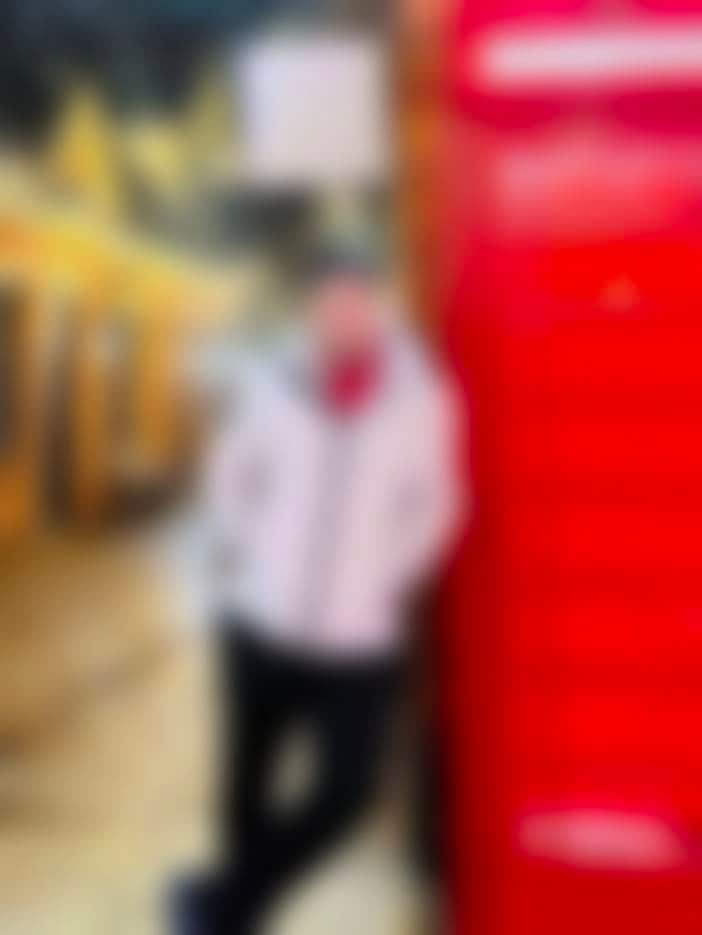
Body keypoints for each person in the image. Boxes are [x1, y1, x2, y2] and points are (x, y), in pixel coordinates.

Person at [173, 241, 462, 934]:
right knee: (244, 792)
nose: (342, 314)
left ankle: (221, 901)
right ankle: (235, 916)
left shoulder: (420, 398)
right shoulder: (272, 382)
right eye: (330, 302)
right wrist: (251, 553)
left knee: (347, 792)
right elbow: (232, 473)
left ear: (378, 307)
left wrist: (384, 574)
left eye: (356, 300)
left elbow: (437, 503)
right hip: (260, 626)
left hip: (358, 641)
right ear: (313, 309)